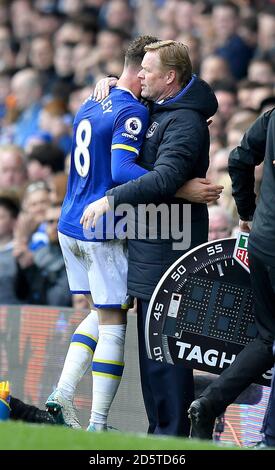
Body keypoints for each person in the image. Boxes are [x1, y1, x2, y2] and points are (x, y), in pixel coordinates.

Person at [81, 40, 219, 436]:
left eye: (147, 70)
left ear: (170, 78)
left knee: (166, 350)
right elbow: (169, 179)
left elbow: (165, 178)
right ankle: (158, 430)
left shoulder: (185, 123)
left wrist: (112, 199)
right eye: (137, 69)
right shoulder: (164, 110)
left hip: (170, 245)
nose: (139, 75)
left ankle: (172, 436)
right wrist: (111, 81)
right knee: (151, 350)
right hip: (152, 242)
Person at [45, 35, 159, 432]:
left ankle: (61, 392)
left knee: (102, 309)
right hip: (102, 226)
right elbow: (121, 171)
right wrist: (176, 185)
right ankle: (97, 423)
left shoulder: (93, 99)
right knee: (114, 319)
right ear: (141, 69)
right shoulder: (131, 110)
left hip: (70, 222)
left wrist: (108, 79)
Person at [188, 108, 275, 442]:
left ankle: (209, 404)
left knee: (268, 338)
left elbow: (239, 158)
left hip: (263, 242)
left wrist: (248, 211)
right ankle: (270, 438)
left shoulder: (271, 117)